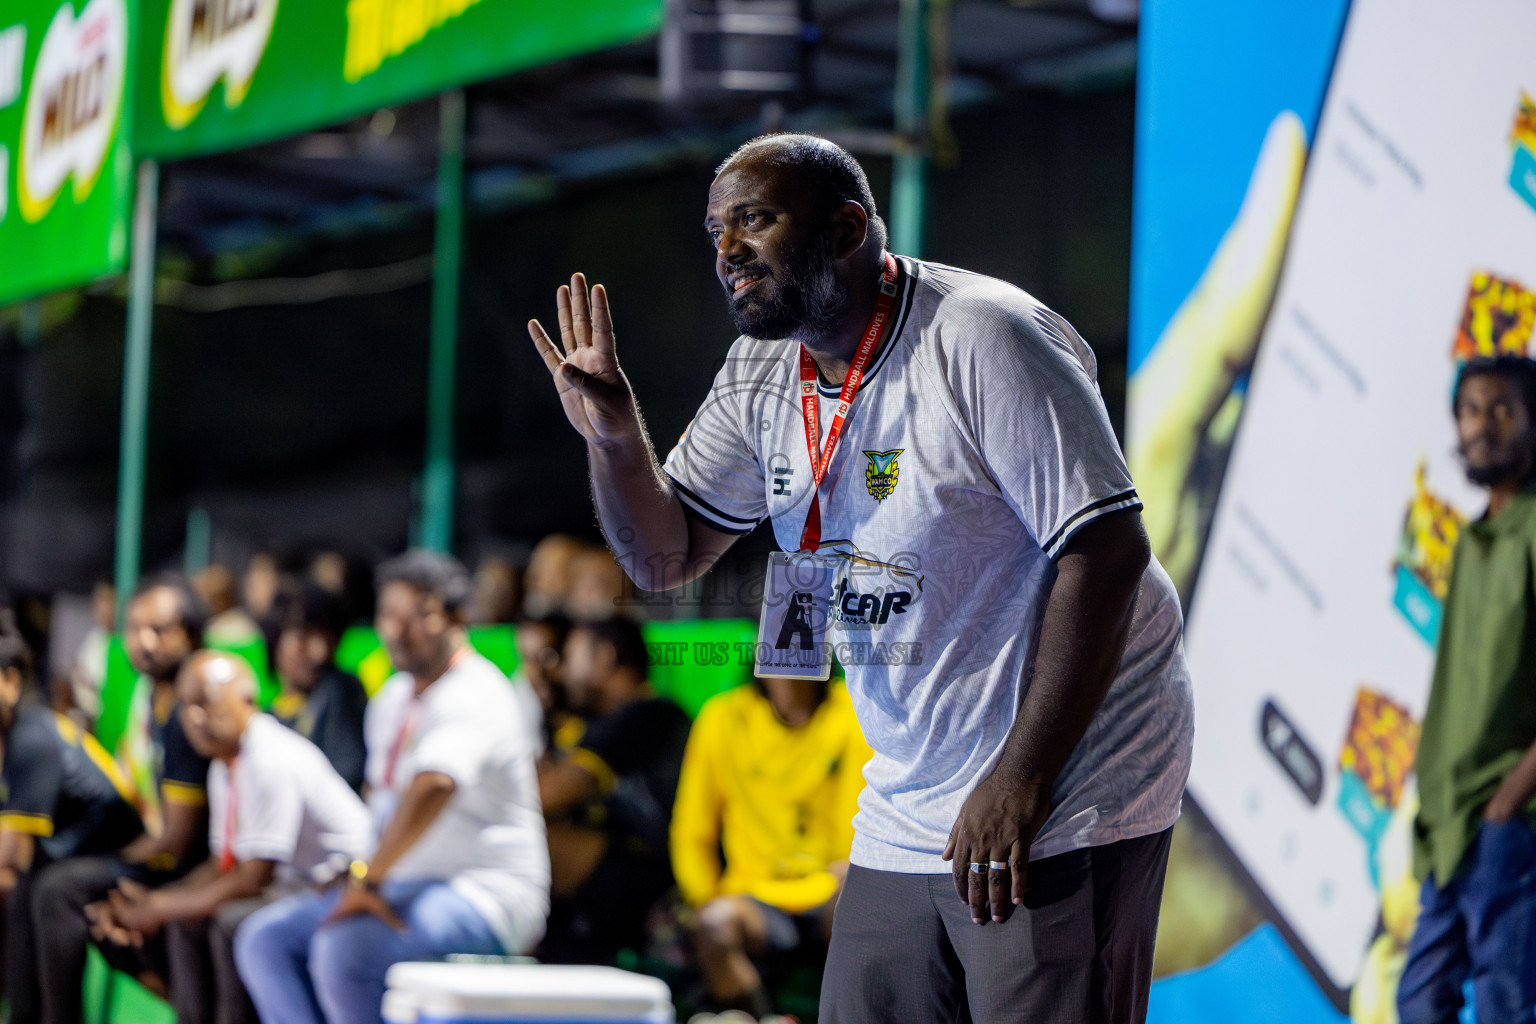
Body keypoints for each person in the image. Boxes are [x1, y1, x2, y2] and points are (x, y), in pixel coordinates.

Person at [528, 133, 1193, 1024]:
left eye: (754, 222)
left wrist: (1022, 777)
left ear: (846, 230)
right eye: (715, 230)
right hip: (909, 795)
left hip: (1068, 783)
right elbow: (662, 557)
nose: (726, 253)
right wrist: (613, 435)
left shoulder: (982, 335)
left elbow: (1108, 552)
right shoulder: (762, 373)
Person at [235, 550, 549, 1024]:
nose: (396, 630)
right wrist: (356, 868)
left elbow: (433, 786)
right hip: (401, 882)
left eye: (416, 615)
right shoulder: (392, 698)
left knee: (344, 951)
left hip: (486, 892)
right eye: (387, 614)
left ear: (457, 617)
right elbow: (379, 802)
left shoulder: (478, 691)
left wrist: (370, 879)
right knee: (265, 939)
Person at [92, 650, 371, 1024]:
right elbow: (222, 863)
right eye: (187, 706)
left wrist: (160, 907)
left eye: (207, 704)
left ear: (247, 701)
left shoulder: (271, 759)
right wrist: (162, 900)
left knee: (230, 921)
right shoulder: (227, 762)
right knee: (185, 920)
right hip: (296, 887)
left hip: (341, 886)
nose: (194, 718)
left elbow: (253, 878)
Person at [1397, 356, 1536, 1024]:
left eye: (1503, 409)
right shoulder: (1473, 536)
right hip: (1446, 828)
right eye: (1472, 410)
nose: (1484, 426)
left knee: (1508, 1005)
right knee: (1421, 1001)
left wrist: (1510, 801)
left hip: (1506, 823)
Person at [30, 576, 213, 1024]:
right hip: (160, 852)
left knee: (60, 891)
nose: (143, 642)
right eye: (134, 628)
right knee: (52, 875)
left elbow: (177, 839)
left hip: (192, 865)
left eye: (159, 629)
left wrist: (118, 860)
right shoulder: (150, 698)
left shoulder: (192, 709)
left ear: (189, 634)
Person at [671, 675, 873, 1017]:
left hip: (834, 890)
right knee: (713, 925)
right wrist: (704, 896)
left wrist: (860, 868)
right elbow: (691, 831)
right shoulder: (723, 717)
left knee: (857, 906)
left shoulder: (858, 708)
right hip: (755, 899)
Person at [0, 609, 144, 1024]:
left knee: (39, 888)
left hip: (121, 856)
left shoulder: (31, 738)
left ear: (11, 682)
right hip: (69, 855)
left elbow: (13, 852)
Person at [537, 617, 691, 964]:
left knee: (531, 837)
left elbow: (545, 796)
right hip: (608, 872)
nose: (562, 671)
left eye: (572, 655)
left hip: (655, 875)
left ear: (604, 657)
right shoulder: (591, 723)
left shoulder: (651, 715)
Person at [271, 584, 370, 792]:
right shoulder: (266, 715)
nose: (320, 653)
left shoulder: (340, 690)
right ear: (275, 638)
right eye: (303, 638)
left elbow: (347, 775)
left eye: (329, 639)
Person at [512, 610, 571, 754]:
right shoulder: (512, 702)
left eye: (548, 658)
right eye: (527, 660)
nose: (537, 672)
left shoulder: (587, 705)